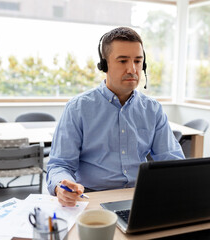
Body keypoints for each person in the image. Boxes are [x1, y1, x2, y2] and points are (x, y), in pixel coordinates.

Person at [46, 27, 184, 207]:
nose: (132, 69)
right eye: (123, 61)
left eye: (138, 60)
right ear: (104, 65)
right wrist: (61, 185)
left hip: (139, 197)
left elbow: (171, 161)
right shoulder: (78, 108)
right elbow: (59, 165)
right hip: (92, 198)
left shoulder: (153, 109)